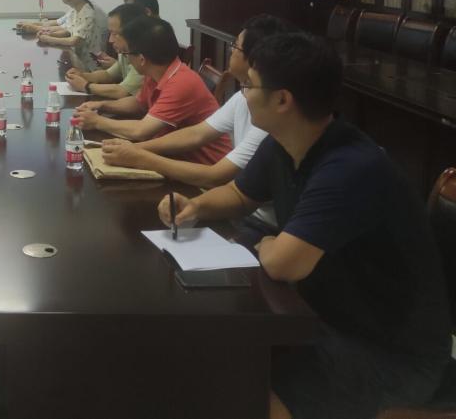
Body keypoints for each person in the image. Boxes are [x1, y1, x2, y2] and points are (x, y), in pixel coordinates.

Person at [158, 32, 451, 419]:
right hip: (326, 319)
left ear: (283, 100)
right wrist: (194, 207)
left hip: (393, 354)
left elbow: (284, 264)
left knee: (239, 386)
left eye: (250, 86)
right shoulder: (284, 142)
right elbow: (240, 195)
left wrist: (270, 244)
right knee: (217, 353)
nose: (243, 94)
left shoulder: (350, 167)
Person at [102, 14, 295, 245]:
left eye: (235, 46)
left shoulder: (270, 123)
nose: (230, 50)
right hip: (235, 207)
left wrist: (140, 157)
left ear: (257, 58)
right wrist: (138, 151)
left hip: (260, 224)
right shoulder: (244, 97)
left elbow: (215, 176)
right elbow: (196, 133)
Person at [74, 16, 231, 164]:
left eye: (126, 54)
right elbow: (138, 103)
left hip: (204, 168)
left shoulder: (181, 82)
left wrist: (97, 121)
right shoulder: (155, 72)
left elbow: (141, 131)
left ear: (142, 59)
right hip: (174, 157)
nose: (127, 60)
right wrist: (102, 106)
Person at [64, 3, 147, 99]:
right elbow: (108, 74)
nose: (110, 40)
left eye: (115, 34)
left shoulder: (144, 56)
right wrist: (82, 76)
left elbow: (122, 91)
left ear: (132, 32)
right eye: (110, 33)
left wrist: (85, 86)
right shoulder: (125, 52)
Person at [35, 0, 107, 59]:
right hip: (77, 55)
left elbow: (74, 41)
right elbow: (68, 31)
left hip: (90, 61)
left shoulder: (88, 12)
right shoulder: (75, 9)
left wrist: (48, 39)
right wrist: (49, 34)